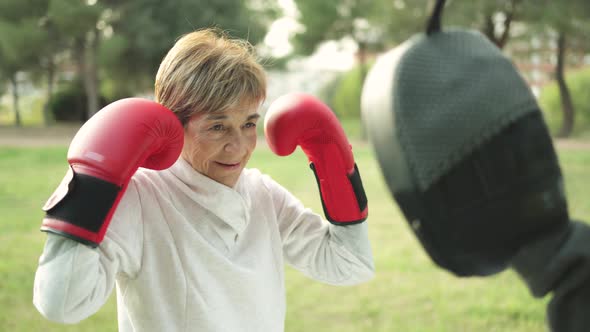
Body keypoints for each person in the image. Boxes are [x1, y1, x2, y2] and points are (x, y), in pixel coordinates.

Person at [33, 28, 374, 332]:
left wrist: (335, 164)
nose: (239, 146)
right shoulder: (142, 198)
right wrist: (91, 181)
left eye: (249, 124)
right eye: (217, 126)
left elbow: (350, 265)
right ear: (171, 125)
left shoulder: (262, 194)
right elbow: (61, 303)